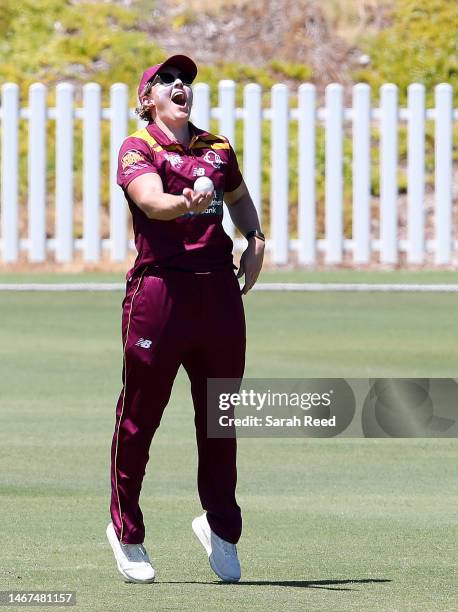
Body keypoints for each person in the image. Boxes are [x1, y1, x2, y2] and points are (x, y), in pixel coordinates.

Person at [106, 54, 265, 584]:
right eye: (167, 81)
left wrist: (255, 239)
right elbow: (150, 202)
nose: (181, 86)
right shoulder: (139, 147)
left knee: (219, 420)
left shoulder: (217, 147)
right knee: (139, 420)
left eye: (186, 81)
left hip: (218, 295)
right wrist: (184, 200)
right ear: (146, 97)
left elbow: (239, 198)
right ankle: (126, 533)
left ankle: (221, 527)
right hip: (160, 294)